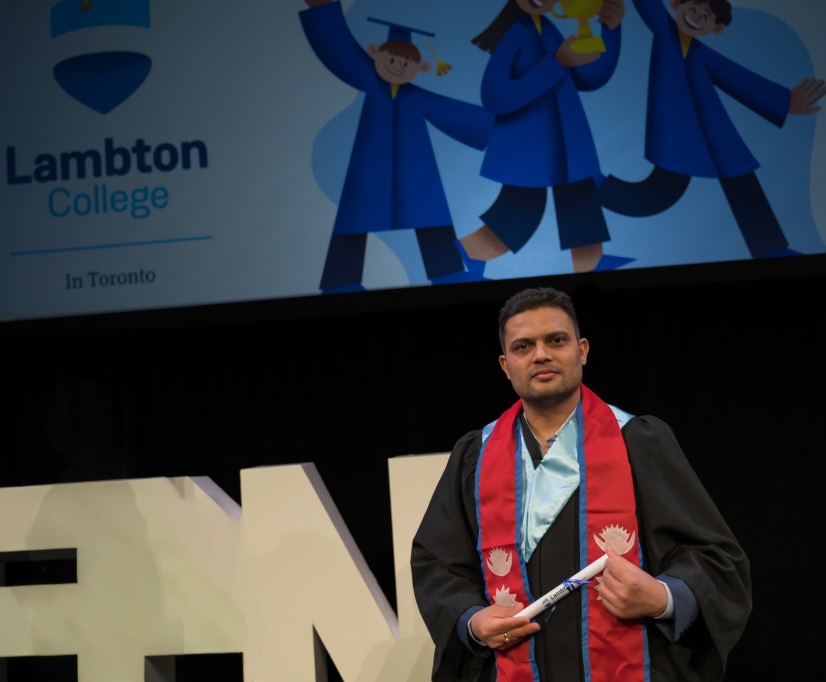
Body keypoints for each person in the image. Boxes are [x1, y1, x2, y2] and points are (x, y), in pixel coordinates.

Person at [411, 286, 751, 680]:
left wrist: (662, 597)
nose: (541, 354)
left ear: (583, 350)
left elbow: (715, 558)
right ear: (505, 365)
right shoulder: (475, 456)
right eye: (523, 346)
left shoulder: (636, 441)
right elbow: (438, 564)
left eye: (556, 340)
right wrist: (471, 620)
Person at [598, 0, 826, 259]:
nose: (696, 17)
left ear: (715, 28)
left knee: (742, 183)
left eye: (705, 16)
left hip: (713, 130)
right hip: (677, 133)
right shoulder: (665, 29)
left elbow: (736, 78)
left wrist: (786, 101)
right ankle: (595, 188)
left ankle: (770, 248)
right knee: (658, 192)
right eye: (693, 9)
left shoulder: (702, 53)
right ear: (676, 5)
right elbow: (649, 6)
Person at [300, 0, 494, 292]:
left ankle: (449, 276)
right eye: (392, 59)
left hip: (416, 173)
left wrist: (505, 129)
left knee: (431, 219)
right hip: (370, 169)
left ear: (420, 68)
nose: (397, 67)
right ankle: (341, 282)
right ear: (375, 54)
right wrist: (322, 9)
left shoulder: (417, 97)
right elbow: (340, 51)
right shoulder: (368, 77)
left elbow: (452, 114)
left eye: (406, 63)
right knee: (354, 223)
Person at [455, 0, 632, 275]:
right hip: (529, 148)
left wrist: (610, 30)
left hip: (564, 142)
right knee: (519, 214)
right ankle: (459, 256)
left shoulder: (547, 29)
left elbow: (588, 77)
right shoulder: (516, 34)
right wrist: (556, 63)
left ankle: (591, 265)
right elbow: (495, 95)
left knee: (579, 203)